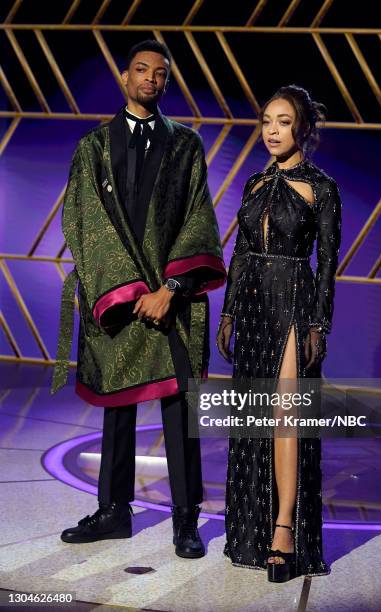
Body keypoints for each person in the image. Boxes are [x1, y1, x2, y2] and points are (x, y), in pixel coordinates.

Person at [51, 39, 226, 558]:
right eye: (142, 70)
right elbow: (84, 222)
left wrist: (171, 288)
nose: (150, 79)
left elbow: (200, 219)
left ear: (166, 84)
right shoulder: (92, 148)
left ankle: (185, 520)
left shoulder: (186, 145)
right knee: (118, 406)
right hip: (119, 297)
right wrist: (129, 290)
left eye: (160, 73)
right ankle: (113, 512)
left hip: (173, 298)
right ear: (125, 78)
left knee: (179, 410)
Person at [217, 85, 342, 582]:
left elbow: (328, 264)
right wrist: (227, 312)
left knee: (285, 415)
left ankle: (285, 528)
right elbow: (241, 253)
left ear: (303, 129)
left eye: (283, 121)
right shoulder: (252, 183)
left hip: (292, 300)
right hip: (250, 308)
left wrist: (319, 323)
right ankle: (251, 529)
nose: (272, 130)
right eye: (267, 120)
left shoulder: (321, 186)